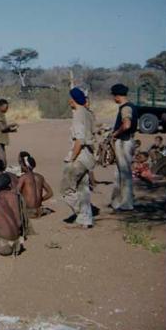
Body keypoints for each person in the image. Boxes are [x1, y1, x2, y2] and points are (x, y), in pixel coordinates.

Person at [60, 87, 96, 228]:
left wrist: (72, 158)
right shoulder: (88, 113)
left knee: (66, 189)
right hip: (88, 156)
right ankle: (86, 220)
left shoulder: (78, 115)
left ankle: (81, 214)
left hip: (80, 157)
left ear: (73, 99)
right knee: (83, 189)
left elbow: (79, 140)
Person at [109, 84, 139, 212]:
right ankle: (118, 201)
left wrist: (114, 134)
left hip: (124, 141)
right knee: (120, 172)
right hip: (126, 140)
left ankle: (126, 204)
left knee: (125, 173)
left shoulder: (126, 108)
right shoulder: (130, 106)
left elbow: (126, 125)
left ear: (117, 96)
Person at [17, 152, 53, 218]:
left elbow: (16, 192)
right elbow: (50, 193)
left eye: (22, 165)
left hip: (29, 211)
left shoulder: (24, 177)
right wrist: (40, 199)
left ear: (26, 166)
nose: (21, 166)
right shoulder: (40, 177)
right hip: (39, 210)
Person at [0, 99, 18, 168]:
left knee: (4, 163)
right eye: (6, 107)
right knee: (2, 163)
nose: (7, 109)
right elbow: (2, 128)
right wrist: (11, 125)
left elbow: (2, 129)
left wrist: (11, 130)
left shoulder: (2, 115)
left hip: (1, 140)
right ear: (0, 106)